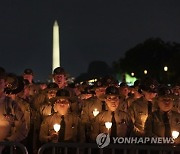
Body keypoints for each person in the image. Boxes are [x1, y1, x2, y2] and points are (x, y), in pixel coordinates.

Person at [0, 72, 27, 153]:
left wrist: (7, 141)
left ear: (5, 84)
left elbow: (23, 130)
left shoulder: (11, 105)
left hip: (7, 149)